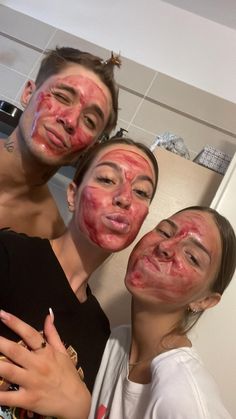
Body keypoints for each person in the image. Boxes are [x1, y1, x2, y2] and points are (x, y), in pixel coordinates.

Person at [0, 206, 235, 419]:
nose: (165, 247)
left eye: (192, 256)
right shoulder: (113, 342)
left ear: (205, 300)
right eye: (164, 231)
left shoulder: (187, 399)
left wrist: (80, 410)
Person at [0, 136, 158, 418]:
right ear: (72, 194)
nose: (124, 197)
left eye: (142, 192)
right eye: (108, 179)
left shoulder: (100, 333)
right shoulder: (9, 254)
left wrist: (80, 411)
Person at [0, 46, 120, 239]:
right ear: (28, 93)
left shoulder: (49, 236)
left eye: (89, 121)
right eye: (62, 97)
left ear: (90, 147)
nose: (70, 121)